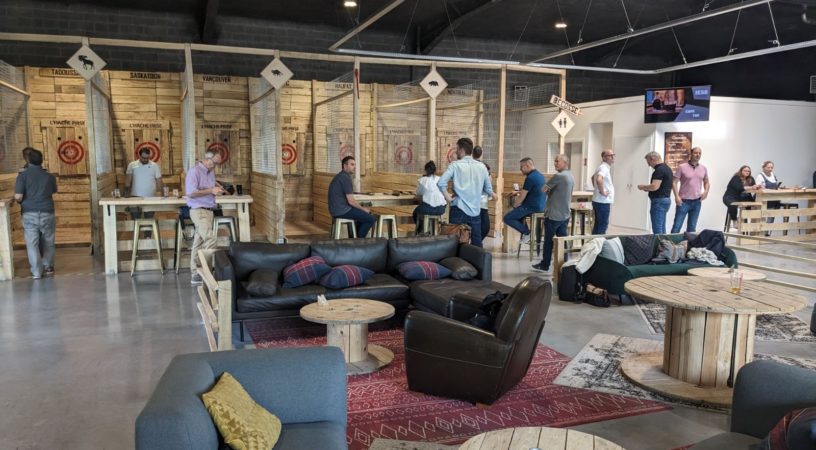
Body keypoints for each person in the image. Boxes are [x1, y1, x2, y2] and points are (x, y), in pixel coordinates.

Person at [437, 137, 496, 248]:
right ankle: (477, 259)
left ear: (462, 150)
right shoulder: (482, 167)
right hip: (475, 210)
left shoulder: (455, 165)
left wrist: (448, 198)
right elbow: (488, 189)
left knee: (454, 244)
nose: (456, 152)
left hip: (458, 208)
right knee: (477, 243)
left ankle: (457, 259)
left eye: (457, 149)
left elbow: (441, 183)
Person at [13, 148, 57, 279]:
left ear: (28, 160)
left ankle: (37, 272)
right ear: (41, 160)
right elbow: (53, 191)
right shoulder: (50, 176)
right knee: (48, 240)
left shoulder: (22, 176)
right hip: (47, 212)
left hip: (29, 213)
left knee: (32, 244)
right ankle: (48, 267)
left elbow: (18, 196)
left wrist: (18, 200)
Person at [186, 151, 225, 286]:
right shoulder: (194, 171)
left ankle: (195, 274)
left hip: (209, 211)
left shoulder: (210, 172)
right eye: (214, 163)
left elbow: (209, 187)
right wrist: (211, 190)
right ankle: (207, 273)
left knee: (198, 243)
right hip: (199, 211)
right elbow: (191, 193)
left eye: (217, 164)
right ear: (207, 159)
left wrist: (217, 188)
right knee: (210, 239)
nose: (215, 166)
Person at [532, 154, 574, 273]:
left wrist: (548, 188)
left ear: (565, 163)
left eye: (557, 161)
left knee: (548, 241)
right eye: (555, 161)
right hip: (565, 214)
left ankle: (545, 265)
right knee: (562, 241)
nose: (555, 164)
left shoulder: (558, 176)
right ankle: (564, 264)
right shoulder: (570, 175)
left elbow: (543, 189)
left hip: (553, 214)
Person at [328, 156, 375, 238]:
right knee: (370, 219)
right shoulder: (345, 178)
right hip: (342, 211)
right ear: (345, 166)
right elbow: (351, 201)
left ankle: (354, 238)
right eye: (352, 164)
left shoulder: (340, 176)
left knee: (361, 217)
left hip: (336, 210)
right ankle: (358, 241)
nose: (355, 167)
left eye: (355, 165)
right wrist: (364, 209)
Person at [503, 157, 546, 244]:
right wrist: (518, 192)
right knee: (518, 215)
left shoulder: (530, 178)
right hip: (541, 207)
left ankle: (527, 233)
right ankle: (527, 233)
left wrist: (513, 207)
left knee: (507, 218)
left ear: (527, 166)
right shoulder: (540, 176)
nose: (520, 169)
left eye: (521, 167)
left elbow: (521, 197)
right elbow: (533, 190)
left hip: (531, 207)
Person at [670, 147, 710, 233]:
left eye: (699, 153)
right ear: (691, 154)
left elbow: (706, 182)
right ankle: (670, 241)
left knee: (692, 228)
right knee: (677, 226)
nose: (698, 155)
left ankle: (689, 242)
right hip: (683, 201)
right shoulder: (682, 167)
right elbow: (674, 182)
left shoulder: (703, 168)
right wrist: (676, 196)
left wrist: (706, 192)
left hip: (697, 201)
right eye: (695, 153)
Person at [637, 151, 673, 234]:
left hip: (659, 201)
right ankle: (663, 242)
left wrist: (642, 187)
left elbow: (654, 187)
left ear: (652, 159)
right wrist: (648, 188)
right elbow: (662, 186)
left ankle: (659, 242)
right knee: (662, 227)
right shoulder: (667, 168)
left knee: (657, 229)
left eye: (648, 162)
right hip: (666, 199)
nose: (649, 165)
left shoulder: (659, 170)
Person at [125, 148, 164, 219]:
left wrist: (163, 195)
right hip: (135, 197)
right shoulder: (132, 165)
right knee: (135, 220)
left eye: (147, 158)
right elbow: (128, 181)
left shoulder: (155, 166)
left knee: (149, 220)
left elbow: (159, 181)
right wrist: (126, 195)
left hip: (150, 197)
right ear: (139, 156)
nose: (146, 160)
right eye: (143, 158)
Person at [412, 160, 446, 234]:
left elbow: (418, 193)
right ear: (435, 170)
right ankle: (431, 232)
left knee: (416, 212)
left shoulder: (423, 180)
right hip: (441, 209)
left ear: (426, 170)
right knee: (425, 211)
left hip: (429, 208)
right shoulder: (439, 179)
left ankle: (421, 231)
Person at [591, 149, 615, 234]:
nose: (612, 157)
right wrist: (602, 192)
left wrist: (597, 189)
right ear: (604, 158)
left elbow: (592, 177)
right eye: (610, 155)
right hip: (602, 201)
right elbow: (598, 179)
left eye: (613, 155)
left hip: (599, 200)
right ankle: (599, 241)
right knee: (602, 224)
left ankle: (594, 241)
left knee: (598, 224)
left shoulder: (602, 167)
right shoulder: (604, 167)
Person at [472, 146, 492, 242]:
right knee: (484, 227)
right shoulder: (483, 167)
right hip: (479, 202)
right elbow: (487, 185)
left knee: (482, 227)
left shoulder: (482, 166)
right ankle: (475, 244)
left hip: (478, 202)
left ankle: (475, 244)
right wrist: (491, 193)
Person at [756, 160, 782, 228]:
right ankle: (762, 230)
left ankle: (767, 230)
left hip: (773, 198)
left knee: (772, 214)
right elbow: (760, 188)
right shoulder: (760, 176)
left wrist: (778, 187)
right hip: (764, 199)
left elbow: (775, 184)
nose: (770, 169)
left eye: (771, 167)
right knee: (764, 215)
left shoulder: (773, 175)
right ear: (764, 167)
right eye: (768, 167)